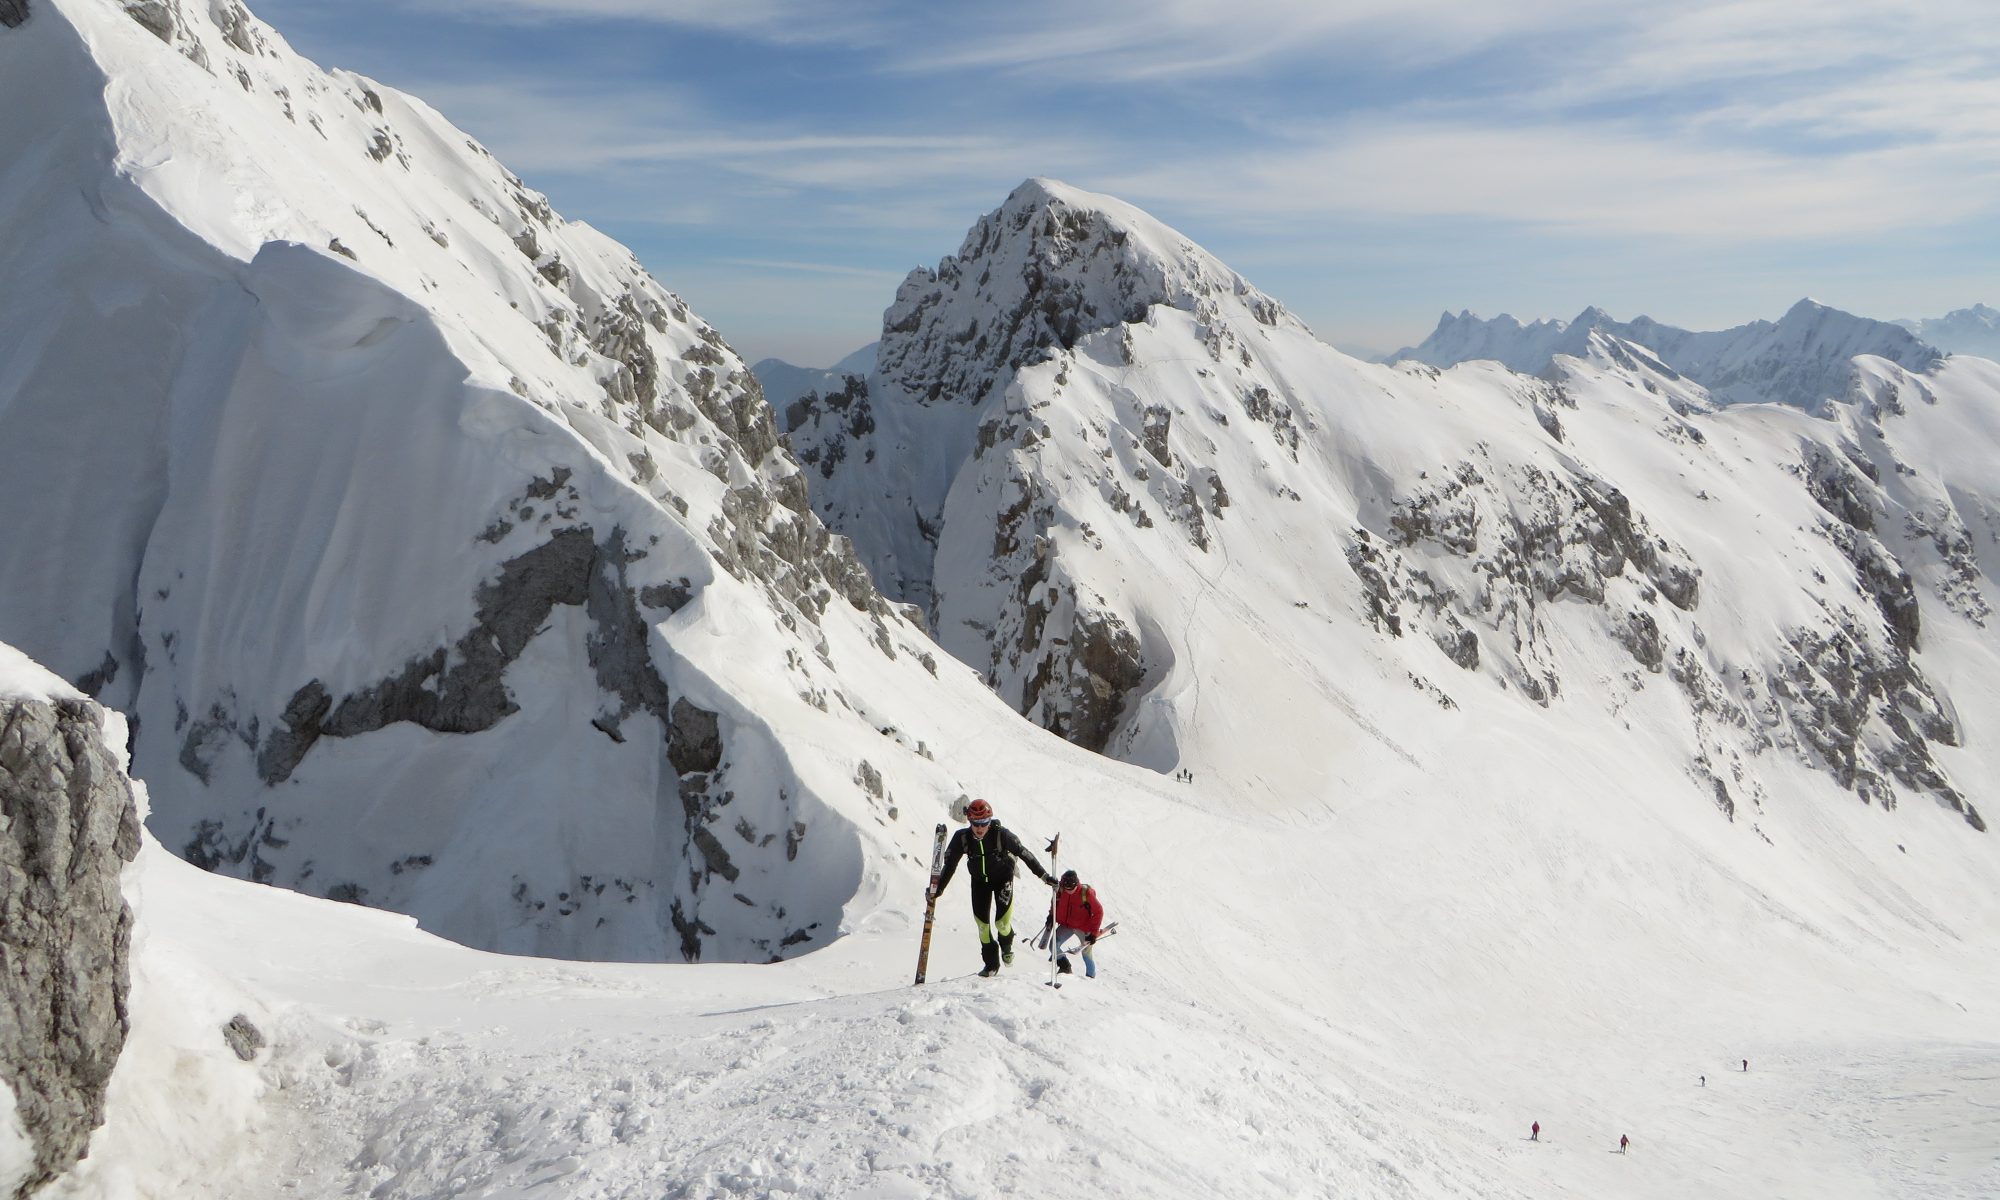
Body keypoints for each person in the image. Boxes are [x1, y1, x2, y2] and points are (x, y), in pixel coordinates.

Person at [932, 799, 1054, 977]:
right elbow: (950, 865)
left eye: (984, 823)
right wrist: (939, 890)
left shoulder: (1001, 834)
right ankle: (991, 965)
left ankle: (1006, 946)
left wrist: (1044, 876)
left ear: (990, 821)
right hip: (980, 881)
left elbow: (1024, 854)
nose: (980, 828)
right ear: (970, 821)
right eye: (976, 823)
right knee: (982, 926)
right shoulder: (962, 838)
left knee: (1002, 924)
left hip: (1002, 878)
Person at [1051, 869, 1106, 979]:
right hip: (1067, 925)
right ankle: (1065, 967)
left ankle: (1090, 977)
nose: (1069, 891)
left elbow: (1098, 911)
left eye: (1072, 888)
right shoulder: (1060, 889)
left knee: (1086, 953)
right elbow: (1054, 903)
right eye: (1067, 888)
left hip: (1084, 927)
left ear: (1076, 884)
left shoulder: (1086, 893)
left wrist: (1093, 933)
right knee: (1053, 946)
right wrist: (1050, 916)